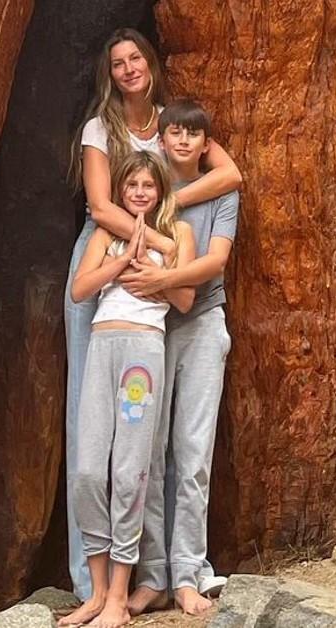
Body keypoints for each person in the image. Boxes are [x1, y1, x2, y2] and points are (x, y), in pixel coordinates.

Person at [63, 27, 242, 603]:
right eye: (117, 63)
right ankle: (93, 578)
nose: (129, 69)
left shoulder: (173, 124)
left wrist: (165, 221)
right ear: (108, 73)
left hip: (159, 280)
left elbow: (229, 174)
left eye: (136, 58)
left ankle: (160, 576)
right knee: (90, 429)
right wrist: (150, 236)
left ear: (150, 63)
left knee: (149, 440)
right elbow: (99, 206)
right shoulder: (101, 127)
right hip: (111, 256)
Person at [58, 151, 195, 628]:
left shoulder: (178, 235)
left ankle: (119, 595)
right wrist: (121, 264)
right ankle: (95, 594)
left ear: (160, 190)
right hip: (103, 344)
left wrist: (153, 272)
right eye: (132, 184)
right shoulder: (105, 233)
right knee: (90, 471)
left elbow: (183, 296)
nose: (140, 192)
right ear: (120, 191)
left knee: (130, 470)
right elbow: (80, 289)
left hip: (142, 353)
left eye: (148, 185)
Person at [118, 101, 239, 616]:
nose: (184, 142)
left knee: (192, 453)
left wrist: (163, 280)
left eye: (194, 134)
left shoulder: (222, 195)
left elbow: (215, 261)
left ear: (205, 143)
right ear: (160, 140)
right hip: (147, 329)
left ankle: (188, 573)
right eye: (175, 133)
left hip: (202, 325)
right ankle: (152, 576)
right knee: (144, 453)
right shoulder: (145, 187)